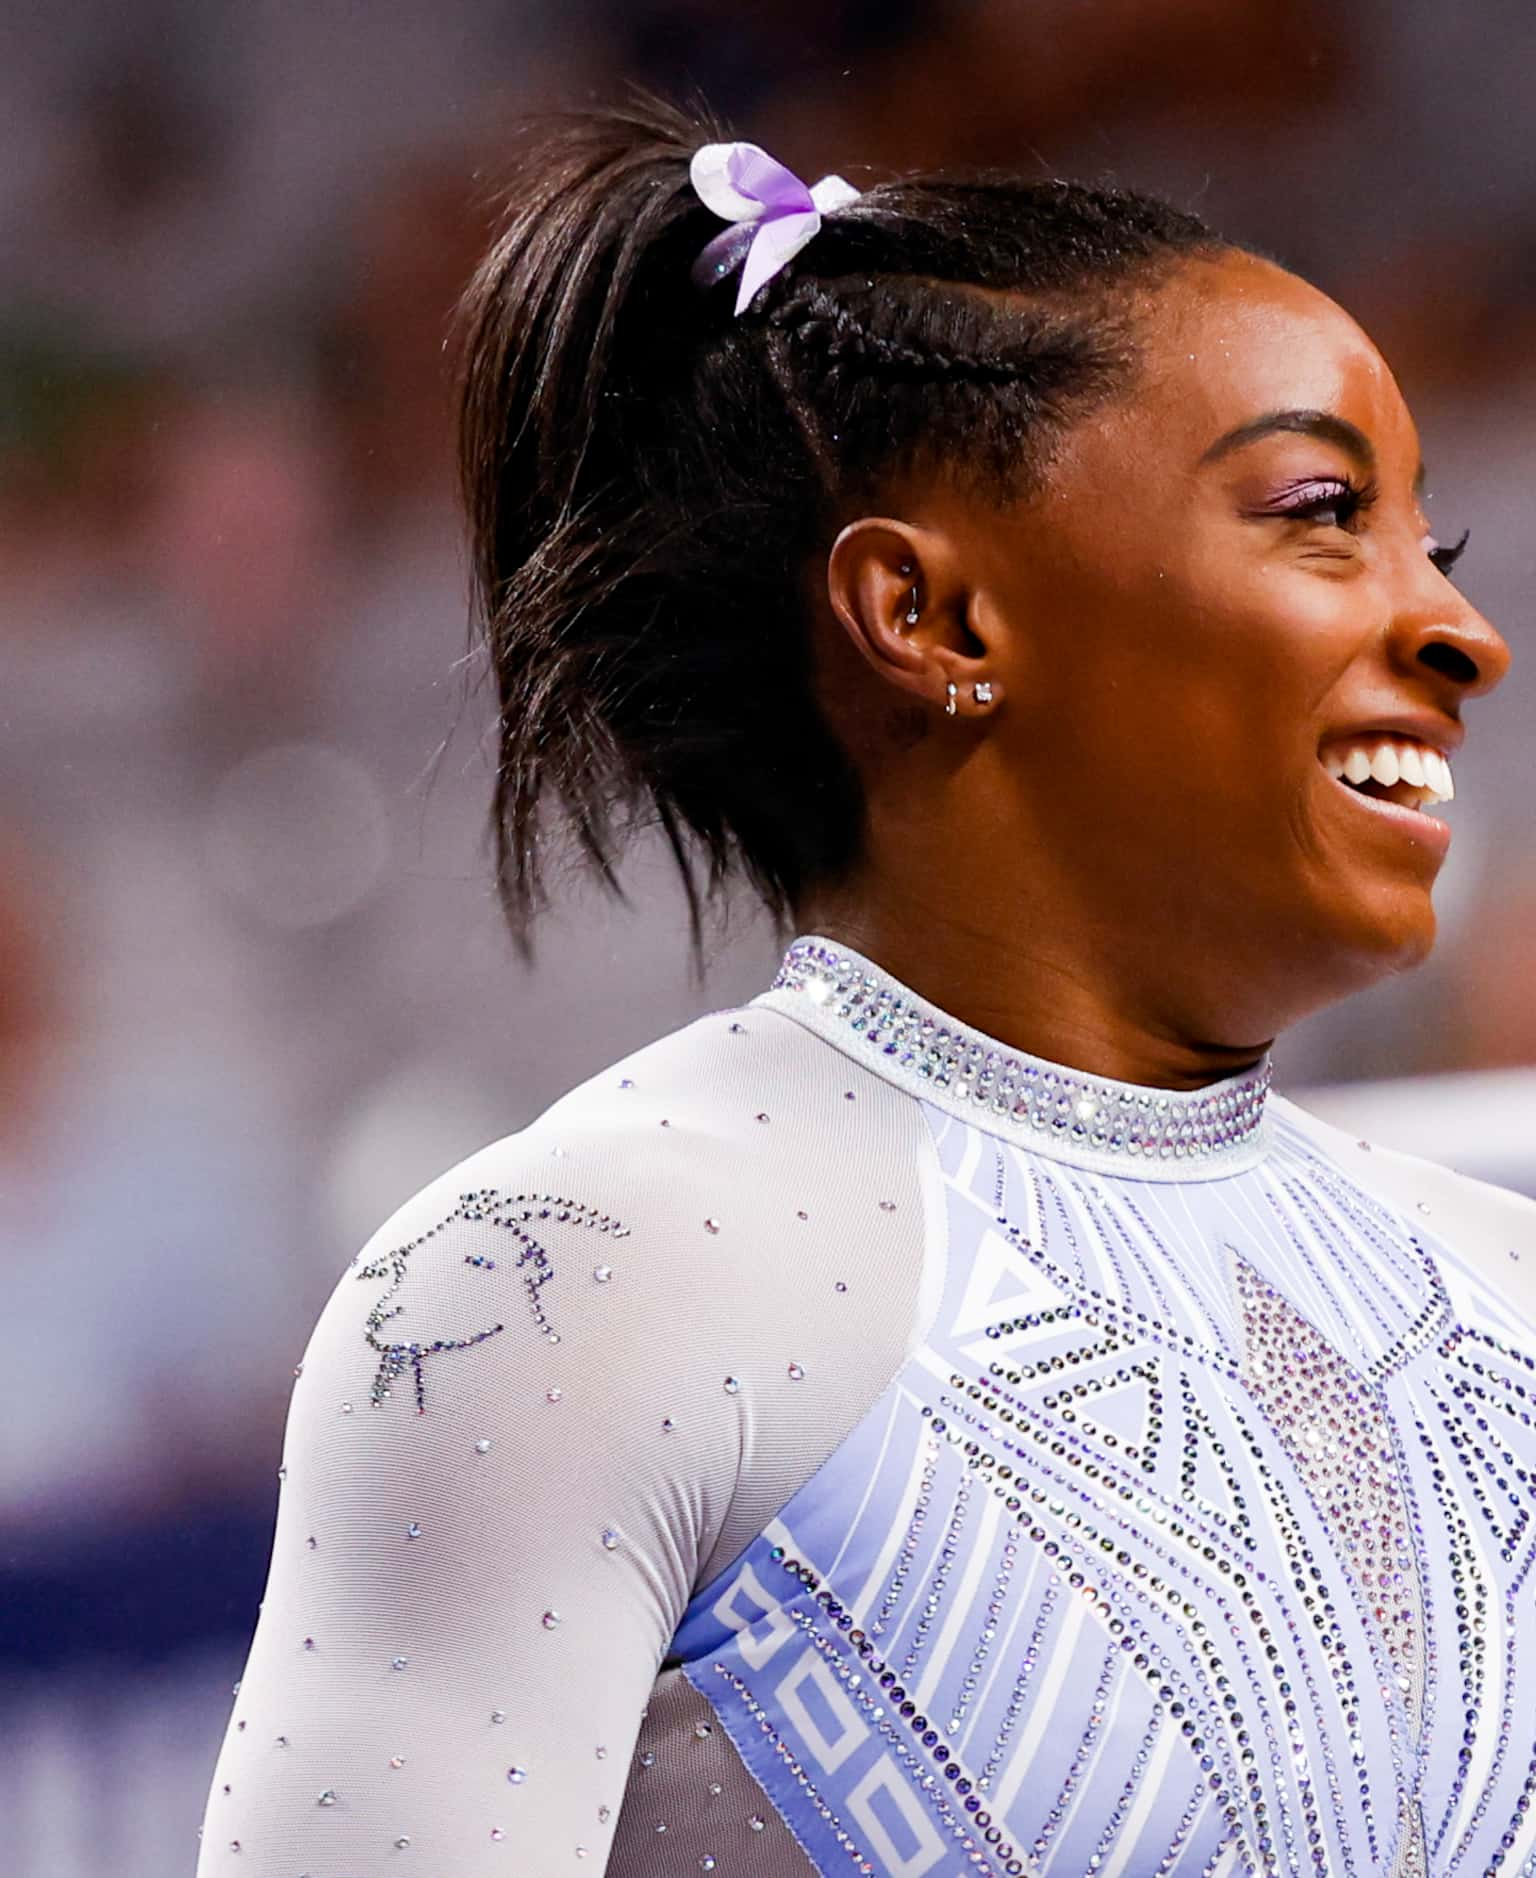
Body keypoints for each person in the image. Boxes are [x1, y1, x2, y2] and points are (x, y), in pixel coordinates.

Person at [195, 90, 1534, 1878]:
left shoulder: (1497, 1281)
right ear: (933, 615)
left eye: (1424, 549)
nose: (1461, 633)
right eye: (1317, 515)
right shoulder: (566, 1293)